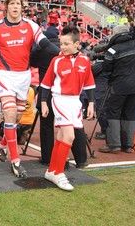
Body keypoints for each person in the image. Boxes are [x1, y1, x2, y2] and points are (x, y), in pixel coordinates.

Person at [0, 0, 59, 178]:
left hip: (24, 78)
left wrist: (63, 55)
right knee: (10, 114)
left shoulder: (31, 26)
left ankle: (3, 145)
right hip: (5, 76)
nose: (16, 7)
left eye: (18, 4)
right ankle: (15, 162)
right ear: (6, 6)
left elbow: (46, 45)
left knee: (18, 119)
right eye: (12, 4)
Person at [40, 25, 95, 191]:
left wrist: (91, 103)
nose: (62, 47)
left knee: (62, 136)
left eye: (65, 44)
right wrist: (43, 102)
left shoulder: (85, 60)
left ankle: (51, 171)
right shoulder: (56, 61)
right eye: (61, 44)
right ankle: (59, 173)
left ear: (77, 44)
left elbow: (89, 84)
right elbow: (46, 83)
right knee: (70, 136)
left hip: (75, 102)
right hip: (59, 100)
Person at [99, 25, 135, 153]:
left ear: (116, 34)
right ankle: (128, 145)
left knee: (113, 113)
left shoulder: (113, 50)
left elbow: (107, 68)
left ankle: (114, 144)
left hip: (119, 86)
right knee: (129, 114)